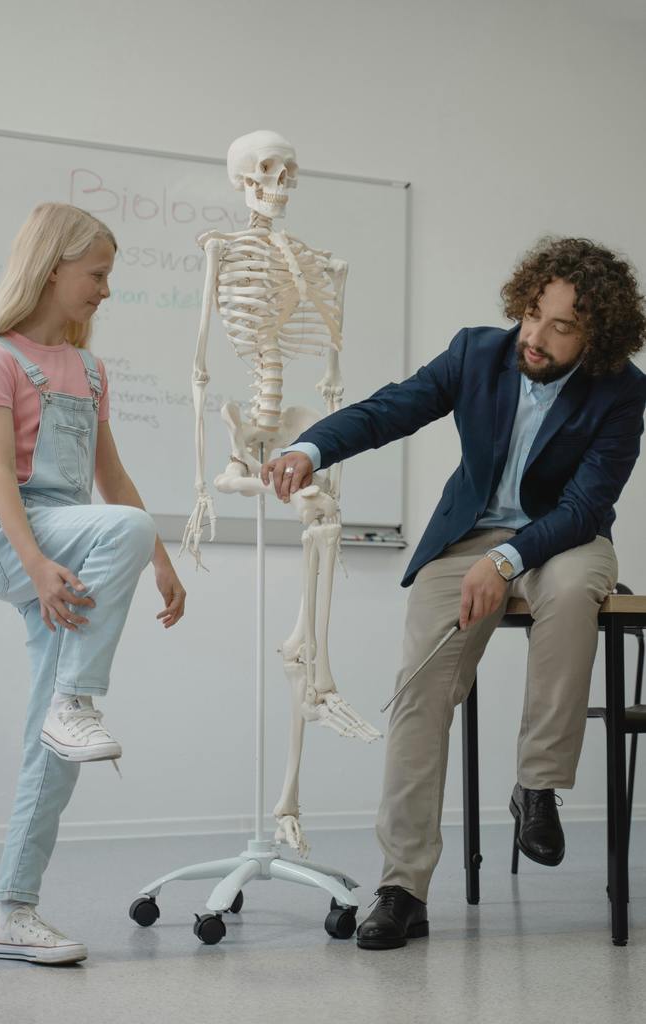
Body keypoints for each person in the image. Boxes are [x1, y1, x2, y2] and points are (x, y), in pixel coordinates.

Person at [262, 236, 646, 950]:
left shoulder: (621, 390)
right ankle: (402, 886)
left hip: (566, 538)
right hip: (465, 538)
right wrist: (309, 448)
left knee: (568, 592)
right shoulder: (477, 353)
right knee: (420, 689)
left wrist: (505, 561)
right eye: (533, 313)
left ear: (596, 336)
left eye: (561, 326)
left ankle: (536, 785)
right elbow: (390, 409)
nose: (535, 335)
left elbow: (587, 504)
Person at [0, 203, 187, 965]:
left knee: (49, 750)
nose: (105, 290)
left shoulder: (90, 371)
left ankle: (13, 912)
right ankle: (77, 700)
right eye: (97, 275)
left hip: (69, 543)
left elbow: (111, 476)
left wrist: (160, 561)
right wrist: (34, 564)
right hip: (7, 535)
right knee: (117, 529)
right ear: (53, 267)